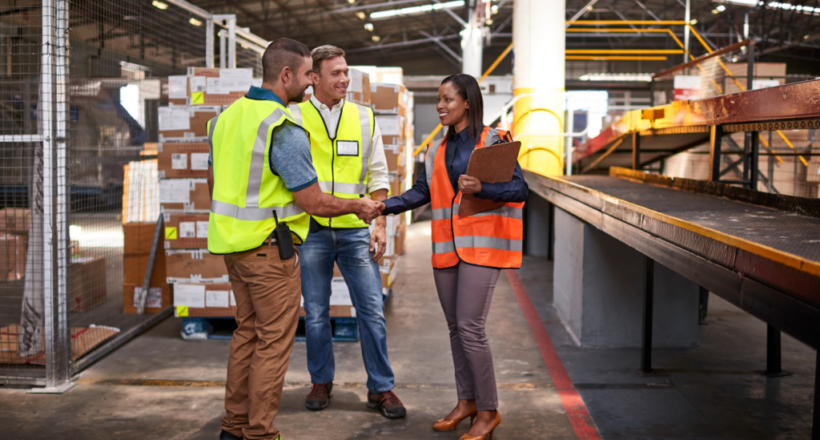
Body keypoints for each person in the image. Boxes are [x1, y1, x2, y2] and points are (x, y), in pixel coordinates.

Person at [206, 38, 384, 440]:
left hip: (233, 248)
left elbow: (214, 183)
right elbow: (313, 201)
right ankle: (259, 433)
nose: (310, 83)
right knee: (272, 345)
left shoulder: (225, 118)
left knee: (246, 335)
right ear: (286, 74)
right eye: (307, 75)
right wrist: (357, 206)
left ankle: (233, 427)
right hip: (270, 252)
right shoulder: (282, 126)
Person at [381, 74, 528, 440]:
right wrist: (384, 206)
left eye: (447, 99)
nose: (440, 106)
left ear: (467, 102)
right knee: (455, 329)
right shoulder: (436, 149)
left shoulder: (494, 140)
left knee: (470, 327)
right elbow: (421, 192)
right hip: (447, 248)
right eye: (439, 99)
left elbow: (519, 189)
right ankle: (467, 402)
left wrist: (484, 188)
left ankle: (488, 410)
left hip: (483, 247)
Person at [287, 45, 406, 419]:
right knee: (316, 314)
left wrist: (381, 223)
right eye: (335, 73)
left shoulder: (364, 116)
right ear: (314, 78)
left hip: (356, 230)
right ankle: (321, 380)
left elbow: (378, 174)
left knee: (372, 311)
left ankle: (381, 387)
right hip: (312, 230)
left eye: (346, 71)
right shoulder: (293, 116)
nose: (344, 79)